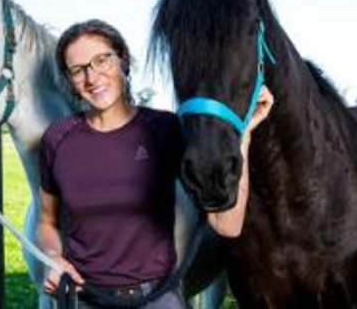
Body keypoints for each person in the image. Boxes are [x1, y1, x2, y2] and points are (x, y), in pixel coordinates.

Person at [38, 21, 272, 308]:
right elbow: (47, 222)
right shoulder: (57, 139)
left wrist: (244, 137)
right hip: (86, 300)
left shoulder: (165, 129)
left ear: (123, 60)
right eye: (78, 69)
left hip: (159, 299)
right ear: (70, 80)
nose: (92, 76)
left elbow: (228, 225)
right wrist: (52, 257)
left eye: (102, 60)